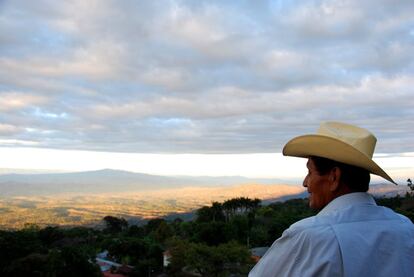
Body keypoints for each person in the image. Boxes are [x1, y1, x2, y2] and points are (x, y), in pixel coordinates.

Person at [249, 121, 414, 277]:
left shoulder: (309, 236)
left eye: (310, 172)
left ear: (334, 177)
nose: (305, 183)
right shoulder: (405, 228)